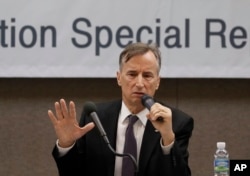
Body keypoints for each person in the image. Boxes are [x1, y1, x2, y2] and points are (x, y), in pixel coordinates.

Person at [48, 42, 194, 176]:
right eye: (132, 74)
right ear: (119, 78)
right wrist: (66, 145)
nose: (139, 83)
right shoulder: (95, 117)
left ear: (157, 82)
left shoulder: (176, 122)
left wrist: (168, 138)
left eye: (147, 75)